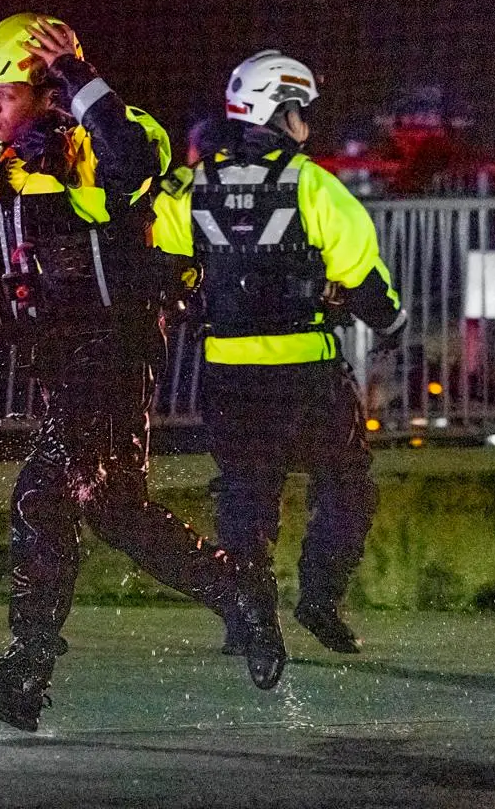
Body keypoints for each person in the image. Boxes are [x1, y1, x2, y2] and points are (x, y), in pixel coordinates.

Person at [0, 13, 280, 731]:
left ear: (49, 91)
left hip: (114, 347)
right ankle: (237, 589)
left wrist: (78, 76)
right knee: (105, 506)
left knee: (45, 495)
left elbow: (136, 164)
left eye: (7, 92)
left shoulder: (104, 138)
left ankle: (27, 669)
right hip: (56, 361)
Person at [154, 50, 404, 672]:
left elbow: (162, 263)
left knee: (244, 496)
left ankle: (249, 619)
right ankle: (319, 600)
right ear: (279, 111)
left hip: (227, 374)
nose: (306, 125)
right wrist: (393, 324)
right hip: (308, 374)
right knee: (346, 486)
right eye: (300, 111)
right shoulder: (312, 184)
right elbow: (363, 278)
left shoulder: (188, 186)